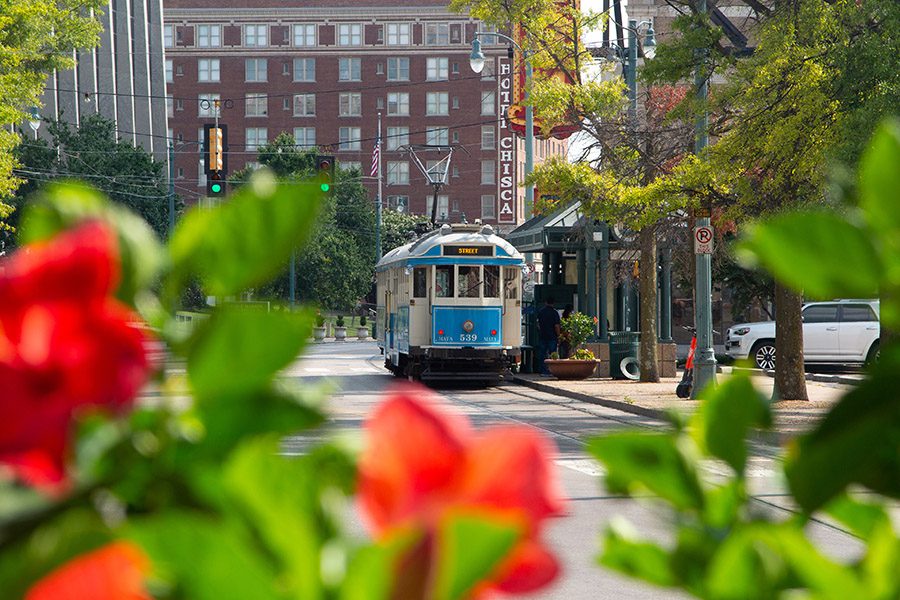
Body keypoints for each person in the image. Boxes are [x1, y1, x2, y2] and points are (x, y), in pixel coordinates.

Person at [536, 297, 562, 376]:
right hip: (552, 336)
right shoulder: (555, 313)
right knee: (552, 354)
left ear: (546, 302)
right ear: (553, 303)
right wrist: (558, 335)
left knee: (542, 354)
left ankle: (543, 371)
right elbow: (556, 326)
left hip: (543, 336)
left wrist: (541, 331)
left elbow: (538, 324)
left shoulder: (541, 312)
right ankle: (552, 370)